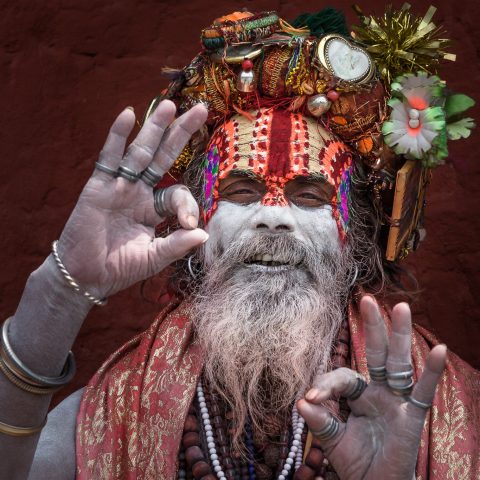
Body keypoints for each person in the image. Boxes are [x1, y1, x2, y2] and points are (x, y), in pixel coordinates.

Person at [1, 7, 479, 480]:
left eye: (310, 195)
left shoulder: (458, 409)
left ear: (353, 237)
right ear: (196, 217)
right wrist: (63, 290)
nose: (273, 216)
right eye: (240, 192)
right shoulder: (118, 409)